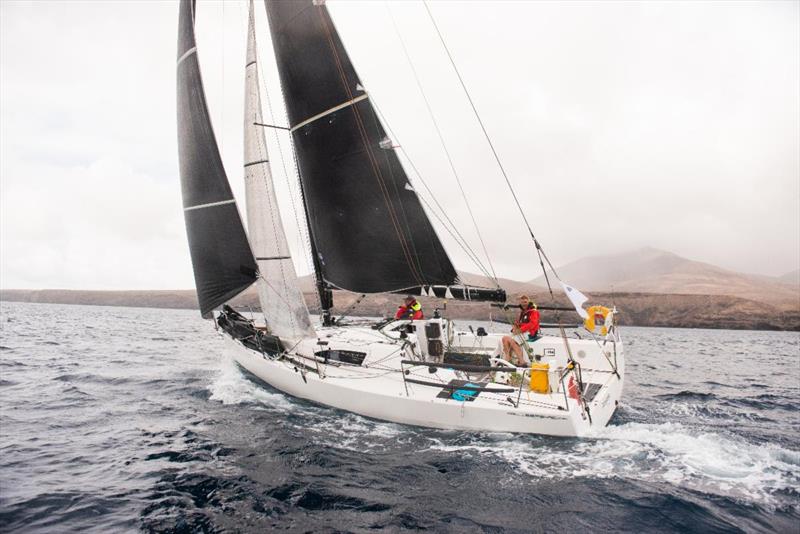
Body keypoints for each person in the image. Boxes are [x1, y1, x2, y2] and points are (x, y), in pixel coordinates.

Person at [501, 295, 540, 366]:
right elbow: (519, 323)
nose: (524, 303)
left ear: (528, 302)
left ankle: (522, 361)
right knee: (504, 338)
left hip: (530, 333)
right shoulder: (523, 312)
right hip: (522, 331)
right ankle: (508, 358)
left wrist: (520, 330)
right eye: (522, 302)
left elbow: (532, 324)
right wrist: (515, 328)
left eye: (525, 302)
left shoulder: (533, 312)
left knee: (513, 341)